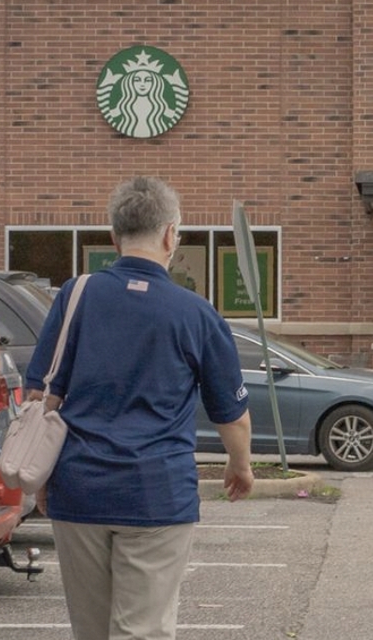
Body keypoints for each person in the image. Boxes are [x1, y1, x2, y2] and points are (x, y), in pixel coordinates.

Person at [24, 176, 254, 640]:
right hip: (157, 493)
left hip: (79, 487)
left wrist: (43, 474)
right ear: (171, 235)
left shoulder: (75, 296)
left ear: (114, 237)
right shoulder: (196, 313)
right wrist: (240, 465)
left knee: (90, 630)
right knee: (143, 630)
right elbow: (231, 414)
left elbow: (41, 396)